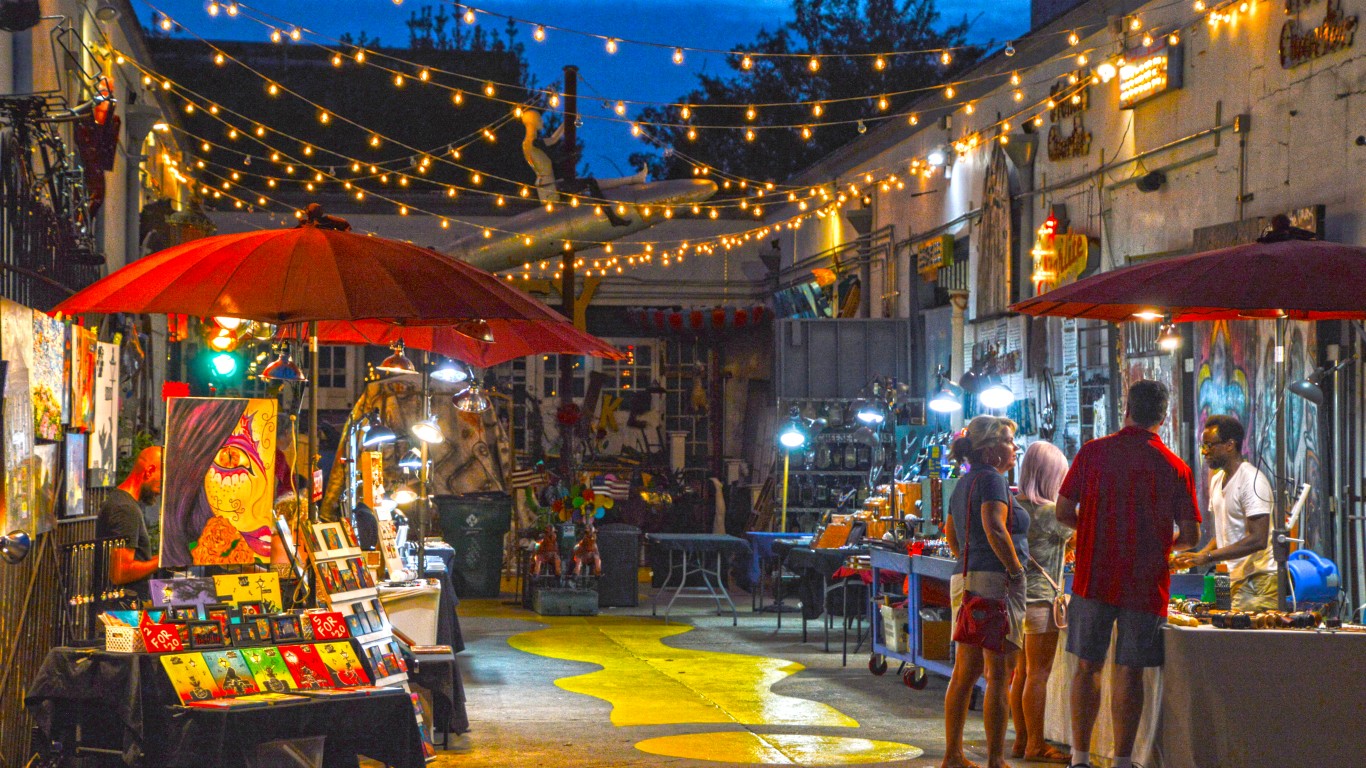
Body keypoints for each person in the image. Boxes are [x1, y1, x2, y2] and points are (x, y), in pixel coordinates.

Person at [1055, 380, 1201, 768]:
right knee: (1131, 672)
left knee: (1086, 667)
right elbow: (1191, 535)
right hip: (1146, 583)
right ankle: (1122, 761)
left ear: (1126, 409)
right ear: (1163, 416)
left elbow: (1063, 511)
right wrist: (1159, 543)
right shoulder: (1176, 467)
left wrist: (1091, 531)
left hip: (1093, 577)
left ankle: (1080, 758)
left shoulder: (1093, 453)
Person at [941, 415, 1028, 768]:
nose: (1014, 448)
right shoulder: (992, 481)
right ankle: (995, 759)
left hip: (966, 579)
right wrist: (1015, 569)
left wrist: (969, 556)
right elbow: (994, 526)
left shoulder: (963, 482)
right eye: (1009, 441)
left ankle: (953, 756)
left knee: (965, 672)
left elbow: (951, 536)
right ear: (991, 450)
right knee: (998, 673)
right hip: (995, 583)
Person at [1172, 414, 1277, 611]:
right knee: (1220, 628)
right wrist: (1197, 556)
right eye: (1203, 445)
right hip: (1226, 576)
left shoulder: (1252, 481)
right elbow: (1222, 536)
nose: (1204, 452)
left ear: (1230, 445)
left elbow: (1258, 539)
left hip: (1257, 579)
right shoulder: (1217, 480)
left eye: (1210, 445)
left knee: (1241, 637)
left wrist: (1209, 557)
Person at [1009, 441, 1072, 764]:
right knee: (1038, 674)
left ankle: (1020, 740)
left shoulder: (1014, 507)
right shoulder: (1051, 513)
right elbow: (1085, 532)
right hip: (1041, 602)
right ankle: (1035, 744)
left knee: (1020, 673)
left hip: (1017, 601)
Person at [520, 109, 644, 226]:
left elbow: (553, 139)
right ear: (533, 122)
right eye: (539, 120)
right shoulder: (535, 143)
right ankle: (613, 218)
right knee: (590, 183)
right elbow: (555, 155)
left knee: (591, 183)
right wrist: (570, 154)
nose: (542, 122)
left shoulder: (527, 143)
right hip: (551, 190)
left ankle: (633, 180)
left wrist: (568, 121)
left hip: (547, 187)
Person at [97, 446, 163, 604]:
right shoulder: (125, 509)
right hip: (122, 612)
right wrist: (163, 560)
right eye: (161, 482)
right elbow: (120, 572)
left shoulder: (123, 502)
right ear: (149, 471)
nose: (160, 491)